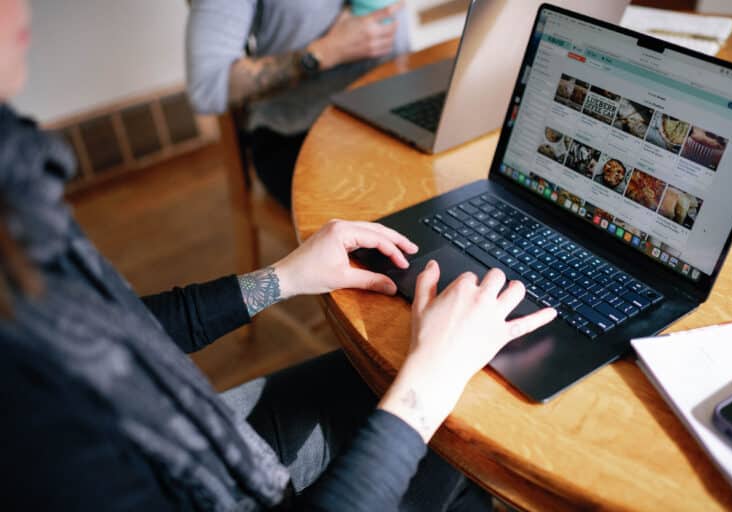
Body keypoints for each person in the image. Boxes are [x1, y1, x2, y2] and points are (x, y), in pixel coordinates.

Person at [0, 0, 557, 509]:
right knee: (456, 417)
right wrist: (427, 384)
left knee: (429, 390)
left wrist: (281, 278)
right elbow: (209, 86)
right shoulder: (38, 434)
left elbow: (122, 328)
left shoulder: (19, 183)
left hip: (188, 434)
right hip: (189, 470)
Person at [186, 0, 410, 208]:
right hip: (301, 136)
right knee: (401, 218)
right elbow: (207, 88)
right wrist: (326, 52)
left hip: (399, 107)